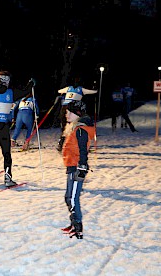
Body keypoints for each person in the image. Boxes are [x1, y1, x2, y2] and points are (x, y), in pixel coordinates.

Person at [0, 70, 35, 187]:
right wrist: (31, 84)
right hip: (2, 125)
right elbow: (26, 92)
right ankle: (8, 177)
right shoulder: (11, 92)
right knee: (6, 152)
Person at [62, 100, 95, 239]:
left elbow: (83, 151)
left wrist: (82, 167)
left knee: (73, 199)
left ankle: (78, 227)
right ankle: (73, 222)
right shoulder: (74, 128)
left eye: (69, 112)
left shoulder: (81, 130)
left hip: (77, 168)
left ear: (77, 113)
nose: (66, 114)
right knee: (68, 197)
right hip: (71, 166)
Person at [57, 77, 97, 151]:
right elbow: (92, 92)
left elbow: (59, 91)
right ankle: (77, 144)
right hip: (73, 109)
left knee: (66, 127)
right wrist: (95, 89)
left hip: (64, 108)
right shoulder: (81, 89)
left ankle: (61, 144)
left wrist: (63, 92)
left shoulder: (68, 88)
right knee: (76, 127)